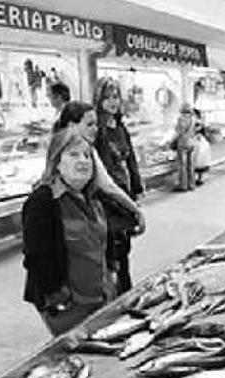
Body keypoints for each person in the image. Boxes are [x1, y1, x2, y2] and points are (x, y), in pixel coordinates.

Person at [22, 128, 117, 336]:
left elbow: (103, 243)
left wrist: (111, 275)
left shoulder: (92, 197)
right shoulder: (43, 202)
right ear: (56, 162)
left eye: (87, 155)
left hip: (100, 297)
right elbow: (35, 259)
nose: (83, 161)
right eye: (73, 154)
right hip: (68, 308)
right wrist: (58, 301)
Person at [48, 101, 144, 230]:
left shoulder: (64, 146)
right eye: (89, 124)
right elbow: (107, 185)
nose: (95, 129)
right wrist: (135, 209)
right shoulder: (78, 149)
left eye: (96, 124)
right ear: (72, 125)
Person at [93, 78, 144, 295]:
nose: (112, 102)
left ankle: (124, 293)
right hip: (108, 200)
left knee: (124, 250)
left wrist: (137, 188)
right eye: (107, 97)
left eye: (115, 96)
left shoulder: (120, 127)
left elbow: (130, 158)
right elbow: (102, 173)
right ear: (99, 99)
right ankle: (119, 297)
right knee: (113, 252)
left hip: (125, 195)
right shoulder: (98, 129)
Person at [171, 103, 198, 191]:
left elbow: (178, 131)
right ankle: (192, 184)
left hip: (183, 143)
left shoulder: (181, 118)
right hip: (191, 142)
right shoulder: (193, 118)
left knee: (182, 165)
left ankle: (183, 185)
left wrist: (170, 141)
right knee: (190, 165)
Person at [192, 108, 212, 186]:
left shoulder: (198, 122)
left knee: (199, 160)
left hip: (199, 143)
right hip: (198, 142)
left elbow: (197, 130)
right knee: (197, 160)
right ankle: (195, 179)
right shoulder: (198, 122)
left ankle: (198, 179)